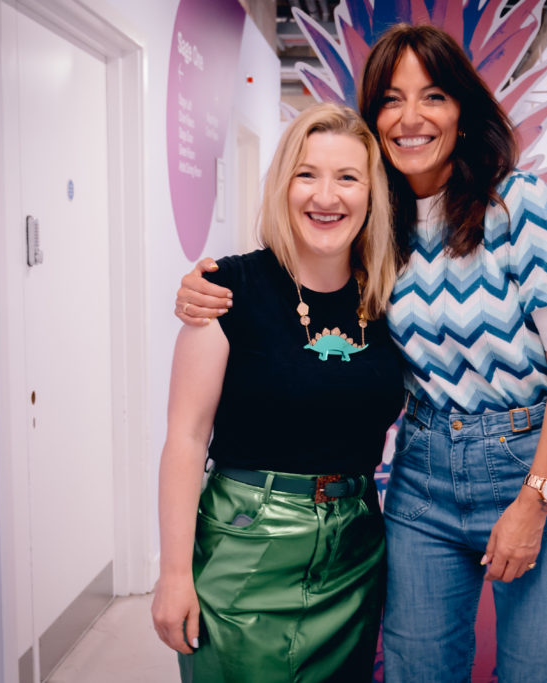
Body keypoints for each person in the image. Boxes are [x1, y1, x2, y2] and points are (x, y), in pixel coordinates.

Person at [175, 24, 547, 683]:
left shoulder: (520, 206)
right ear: (374, 119)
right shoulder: (379, 223)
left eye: (433, 96)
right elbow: (298, 276)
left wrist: (535, 497)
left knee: (544, 669)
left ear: (463, 109)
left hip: (526, 457)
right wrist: (203, 286)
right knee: (415, 669)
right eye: (392, 100)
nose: (411, 117)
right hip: (422, 469)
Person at [153, 102, 404, 683]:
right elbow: (186, 439)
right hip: (247, 546)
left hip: (355, 551)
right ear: (282, 185)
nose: (326, 196)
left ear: (371, 196)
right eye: (307, 174)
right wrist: (173, 574)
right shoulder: (225, 289)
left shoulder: (389, 300)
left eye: (347, 178)